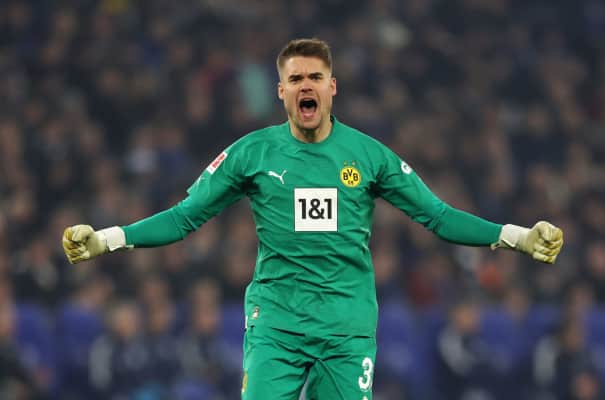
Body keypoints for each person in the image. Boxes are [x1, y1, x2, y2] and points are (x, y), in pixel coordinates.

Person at [62, 38, 564, 400]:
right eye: (296, 79)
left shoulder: (368, 156)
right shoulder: (252, 153)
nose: (307, 86)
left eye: (316, 78)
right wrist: (106, 239)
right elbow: (183, 218)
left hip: (346, 327)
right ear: (281, 91)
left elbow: (438, 216)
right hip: (277, 324)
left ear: (332, 87)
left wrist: (518, 236)